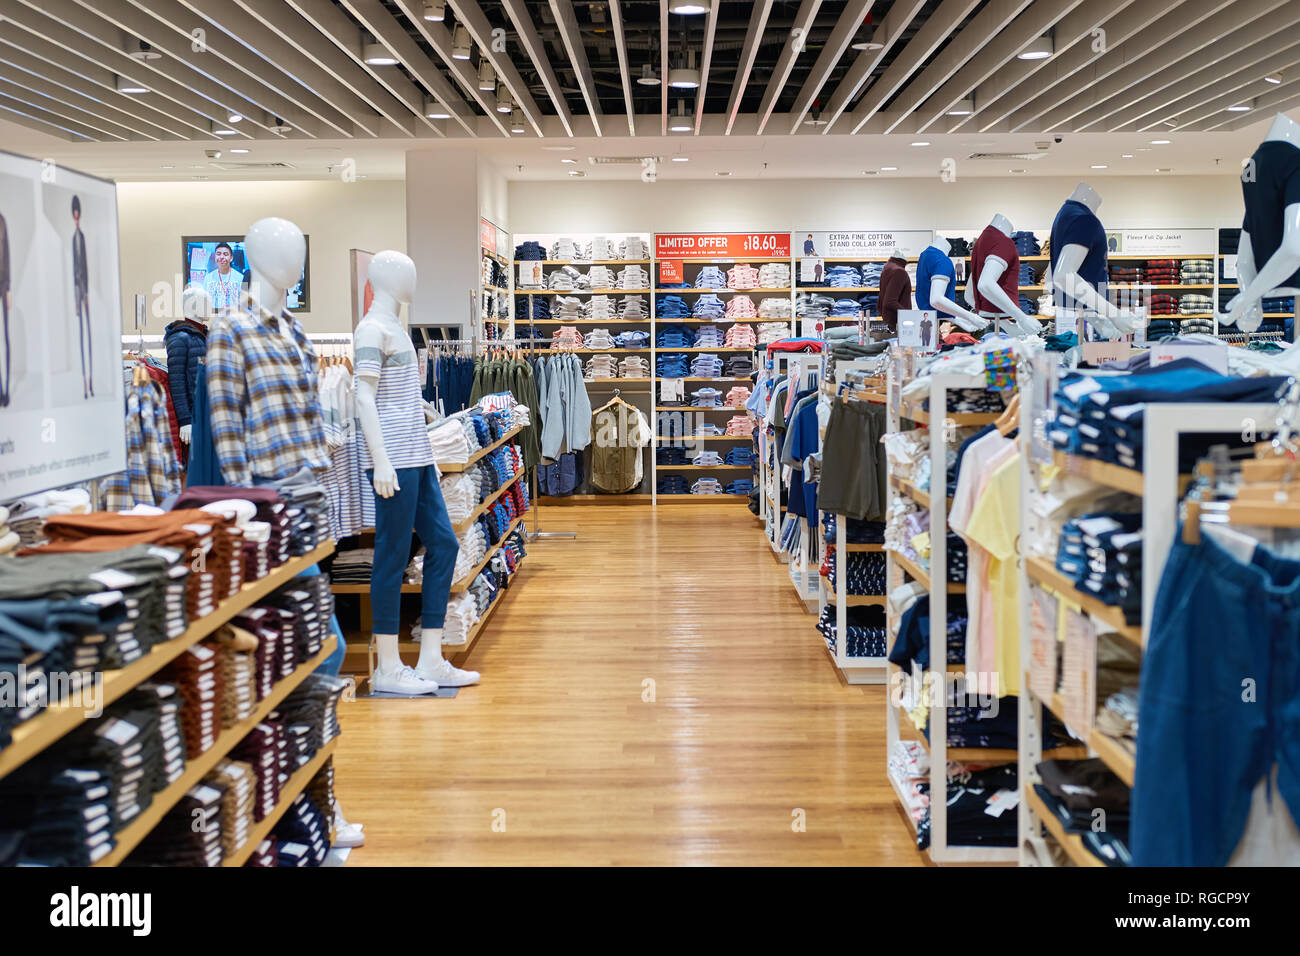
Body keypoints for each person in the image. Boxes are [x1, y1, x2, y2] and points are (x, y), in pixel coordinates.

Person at [71, 195, 92, 399]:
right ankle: (84, 382)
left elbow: (84, 269)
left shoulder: (82, 238)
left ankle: (90, 381)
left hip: (84, 292)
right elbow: (74, 271)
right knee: (80, 335)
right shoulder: (73, 239)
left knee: (88, 335)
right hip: (78, 292)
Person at [203, 241, 244, 312]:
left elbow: (244, 305)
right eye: (218, 254)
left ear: (231, 258)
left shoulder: (240, 278)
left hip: (234, 318)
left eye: (225, 254)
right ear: (215, 257)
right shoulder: (208, 278)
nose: (222, 257)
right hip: (213, 318)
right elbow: (204, 303)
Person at [0, 210, 9, 407]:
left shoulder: (1, 221)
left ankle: (4, 390)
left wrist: (7, 288)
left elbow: (6, 256)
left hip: (2, 284)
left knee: (5, 339)